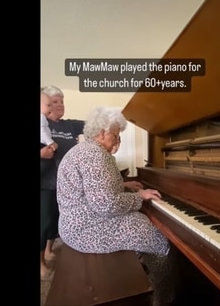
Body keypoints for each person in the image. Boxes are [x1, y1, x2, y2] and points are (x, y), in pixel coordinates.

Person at [56, 106, 176, 305]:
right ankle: (164, 298)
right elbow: (106, 204)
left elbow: (97, 188)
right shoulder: (95, 156)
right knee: (159, 240)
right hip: (85, 229)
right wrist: (140, 196)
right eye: (116, 135)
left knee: (141, 222)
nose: (117, 141)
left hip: (75, 224)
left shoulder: (86, 150)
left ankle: (143, 266)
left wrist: (123, 185)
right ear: (102, 133)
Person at [40, 85, 84, 280]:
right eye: (54, 102)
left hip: (66, 184)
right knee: (45, 220)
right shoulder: (42, 126)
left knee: (57, 219)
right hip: (46, 182)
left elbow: (91, 124)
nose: (59, 105)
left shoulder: (69, 126)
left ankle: (49, 249)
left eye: (62, 101)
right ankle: (40, 261)